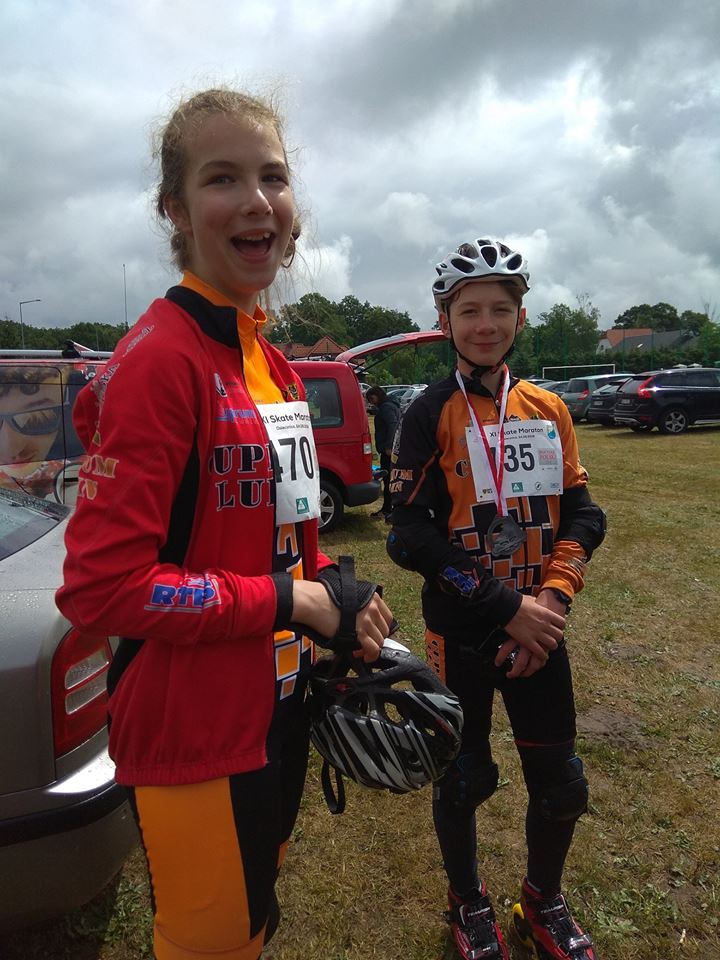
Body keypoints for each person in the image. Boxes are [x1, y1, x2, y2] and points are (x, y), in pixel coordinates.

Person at [56, 87, 393, 960]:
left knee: (252, 928)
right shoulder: (159, 361)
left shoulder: (271, 362)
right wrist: (291, 601)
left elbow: (286, 535)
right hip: (193, 738)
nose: (256, 201)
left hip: (277, 710)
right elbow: (102, 590)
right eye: (222, 179)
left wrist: (338, 598)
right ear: (174, 207)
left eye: (272, 177)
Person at [386, 238, 606, 960]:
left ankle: (543, 901)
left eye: (500, 310)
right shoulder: (426, 413)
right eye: (469, 310)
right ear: (444, 320)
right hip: (465, 631)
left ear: (520, 317)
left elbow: (584, 515)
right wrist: (503, 606)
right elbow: (408, 536)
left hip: (541, 627)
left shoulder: (547, 407)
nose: (486, 324)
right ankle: (467, 902)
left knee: (562, 784)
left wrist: (552, 600)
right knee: (464, 778)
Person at [366, 385, 400, 520]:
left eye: (372, 398)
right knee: (392, 480)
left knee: (388, 480)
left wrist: (388, 446)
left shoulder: (386, 407)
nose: (371, 402)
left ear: (378, 395)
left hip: (389, 451)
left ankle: (387, 510)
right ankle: (391, 509)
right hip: (391, 449)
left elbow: (392, 424)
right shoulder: (391, 405)